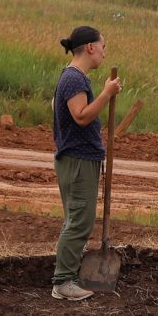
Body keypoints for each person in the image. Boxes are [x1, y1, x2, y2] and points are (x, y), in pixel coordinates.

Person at [50, 25, 121, 301]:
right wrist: (106, 94)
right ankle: (63, 282)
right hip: (78, 160)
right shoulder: (74, 80)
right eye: (102, 46)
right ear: (90, 47)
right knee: (80, 220)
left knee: (77, 218)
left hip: (78, 158)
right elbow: (80, 116)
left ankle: (67, 274)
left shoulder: (72, 79)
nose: (104, 52)